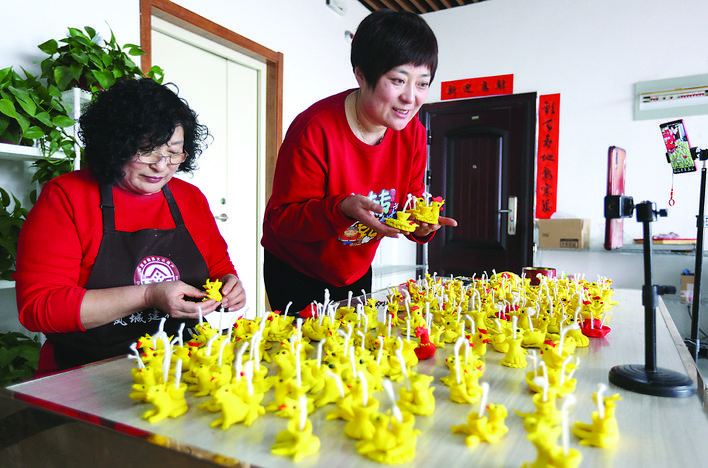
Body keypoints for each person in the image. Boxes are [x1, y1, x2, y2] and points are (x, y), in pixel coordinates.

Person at [14, 77, 246, 373]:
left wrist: (229, 284)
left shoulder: (190, 198)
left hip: (180, 366)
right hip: (86, 372)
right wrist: (149, 295)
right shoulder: (67, 196)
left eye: (173, 152)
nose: (161, 166)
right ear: (115, 145)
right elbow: (39, 308)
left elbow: (218, 267)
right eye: (146, 151)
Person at [261, 9, 457, 315]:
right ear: (361, 74)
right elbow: (283, 220)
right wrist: (340, 209)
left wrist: (421, 226)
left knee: (357, 342)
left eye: (422, 83)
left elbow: (410, 201)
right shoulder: (313, 130)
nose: (411, 98)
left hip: (355, 267)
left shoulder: (414, 133)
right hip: (297, 269)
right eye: (398, 80)